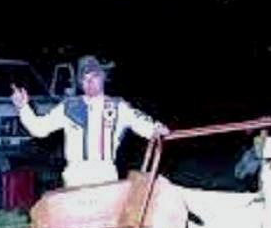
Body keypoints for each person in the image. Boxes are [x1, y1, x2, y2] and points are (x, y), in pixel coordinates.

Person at [11, 55, 169, 187]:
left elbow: (145, 126)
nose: (90, 82)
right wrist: (23, 107)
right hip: (75, 176)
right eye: (85, 78)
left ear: (104, 77)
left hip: (106, 175)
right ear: (80, 82)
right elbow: (39, 129)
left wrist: (156, 128)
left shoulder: (119, 106)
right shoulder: (68, 107)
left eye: (94, 76)